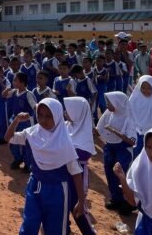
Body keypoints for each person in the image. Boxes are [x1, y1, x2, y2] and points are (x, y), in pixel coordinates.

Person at [5, 99, 87, 235]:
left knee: (55, 229)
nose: (43, 120)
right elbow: (8, 138)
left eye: (49, 116)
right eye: (40, 115)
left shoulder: (65, 143)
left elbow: (76, 173)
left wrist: (81, 201)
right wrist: (17, 120)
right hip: (35, 187)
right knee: (29, 225)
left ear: (58, 116)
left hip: (58, 192)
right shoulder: (32, 133)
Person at [97, 92, 136, 216]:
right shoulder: (109, 114)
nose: (107, 105)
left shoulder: (128, 118)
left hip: (123, 150)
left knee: (122, 174)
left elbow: (131, 141)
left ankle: (127, 201)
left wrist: (115, 131)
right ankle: (116, 198)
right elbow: (100, 128)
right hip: (110, 147)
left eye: (110, 102)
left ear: (118, 103)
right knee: (109, 172)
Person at [64, 96, 97, 233]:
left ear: (77, 112)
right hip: (63, 175)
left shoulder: (84, 136)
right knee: (63, 204)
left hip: (78, 177)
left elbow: (81, 156)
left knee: (78, 209)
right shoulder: (67, 126)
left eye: (68, 110)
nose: (65, 112)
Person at [3, 72, 37, 170]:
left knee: (26, 142)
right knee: (13, 140)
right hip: (15, 120)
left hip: (26, 122)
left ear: (22, 83)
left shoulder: (28, 94)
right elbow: (4, 95)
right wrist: (7, 89)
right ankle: (17, 158)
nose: (13, 82)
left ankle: (28, 162)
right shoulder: (14, 92)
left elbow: (35, 107)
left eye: (15, 80)